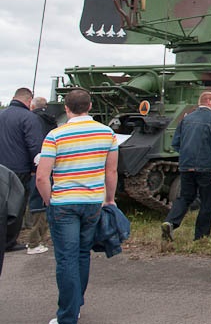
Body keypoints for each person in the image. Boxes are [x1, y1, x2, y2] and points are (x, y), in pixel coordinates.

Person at [36, 88, 118, 324]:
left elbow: (42, 176)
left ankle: (67, 316)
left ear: (66, 108)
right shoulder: (108, 134)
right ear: (90, 106)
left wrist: (49, 200)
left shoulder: (55, 135)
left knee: (66, 258)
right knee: (83, 254)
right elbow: (110, 171)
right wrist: (109, 199)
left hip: (64, 202)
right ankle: (76, 304)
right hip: (93, 201)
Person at [162, 91, 211, 247]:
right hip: (206, 167)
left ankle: (170, 222)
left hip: (186, 165)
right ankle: (201, 236)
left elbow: (176, 143)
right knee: (207, 201)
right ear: (208, 101)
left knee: (185, 197)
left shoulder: (186, 119)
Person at [0, 87, 44, 253]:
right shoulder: (29, 117)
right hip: (19, 168)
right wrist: (35, 168)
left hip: (1, 166)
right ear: (28, 101)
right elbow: (34, 145)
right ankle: (9, 242)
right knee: (16, 206)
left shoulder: (1, 114)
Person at [25, 96, 58, 255]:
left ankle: (33, 242)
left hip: (34, 166)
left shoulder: (31, 120)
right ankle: (37, 238)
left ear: (32, 106)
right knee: (42, 203)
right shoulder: (52, 121)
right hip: (49, 165)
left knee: (34, 203)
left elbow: (32, 143)